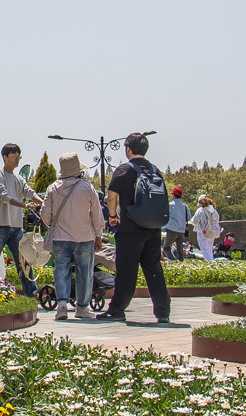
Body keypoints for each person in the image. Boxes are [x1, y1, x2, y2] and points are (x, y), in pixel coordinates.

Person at [101, 133, 170, 322]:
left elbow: (111, 196)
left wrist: (113, 216)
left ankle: (117, 310)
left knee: (126, 271)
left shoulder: (124, 170)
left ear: (128, 149)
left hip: (131, 228)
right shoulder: (154, 170)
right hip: (153, 228)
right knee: (153, 269)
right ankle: (163, 312)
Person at [40, 151, 106, 320]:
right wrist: (98, 234)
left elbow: (45, 215)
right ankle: (82, 308)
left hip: (61, 237)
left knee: (61, 270)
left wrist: (55, 223)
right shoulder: (87, 188)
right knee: (85, 271)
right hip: (84, 237)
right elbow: (97, 214)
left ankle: (61, 305)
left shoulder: (52, 188)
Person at [0, 144, 41, 294]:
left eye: (19, 156)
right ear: (5, 157)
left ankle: (32, 293)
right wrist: (25, 205)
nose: (17, 159)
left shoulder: (18, 178)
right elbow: (4, 197)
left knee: (24, 262)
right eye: (14, 156)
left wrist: (41, 202)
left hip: (16, 228)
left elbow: (28, 192)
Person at [163, 186, 190, 260]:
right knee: (179, 249)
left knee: (166, 247)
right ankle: (181, 261)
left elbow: (165, 215)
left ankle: (173, 260)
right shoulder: (185, 206)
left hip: (172, 228)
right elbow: (189, 217)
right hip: (181, 229)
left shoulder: (170, 205)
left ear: (174, 195)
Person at [193, 194, 222, 262]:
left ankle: (210, 261)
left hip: (202, 231)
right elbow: (217, 219)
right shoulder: (214, 210)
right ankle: (211, 260)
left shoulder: (200, 210)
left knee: (204, 249)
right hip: (212, 231)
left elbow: (195, 221)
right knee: (209, 248)